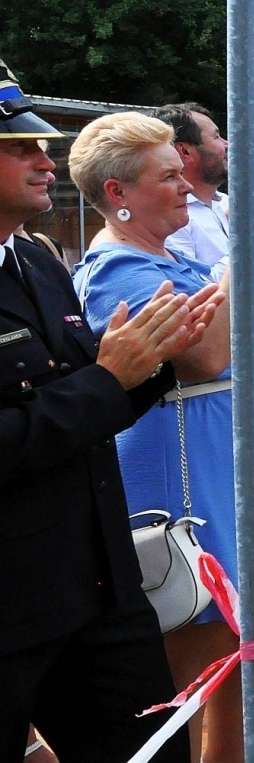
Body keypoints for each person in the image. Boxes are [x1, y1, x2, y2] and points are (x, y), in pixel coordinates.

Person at [1, 74, 220, 763]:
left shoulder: (35, 261)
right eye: (18, 146)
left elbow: (91, 404)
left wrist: (148, 364)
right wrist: (107, 378)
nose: (44, 158)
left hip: (94, 586)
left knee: (152, 750)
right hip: (10, 603)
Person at [69, 113, 243, 763]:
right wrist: (237, 267)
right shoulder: (118, 270)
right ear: (118, 194)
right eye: (167, 175)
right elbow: (208, 357)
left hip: (207, 461)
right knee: (188, 658)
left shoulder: (170, 259)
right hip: (175, 476)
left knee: (230, 646)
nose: (186, 185)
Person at [155, 103, 229, 269]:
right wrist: (250, 246)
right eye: (217, 137)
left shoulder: (227, 204)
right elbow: (194, 286)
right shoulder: (169, 218)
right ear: (184, 151)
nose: (226, 144)